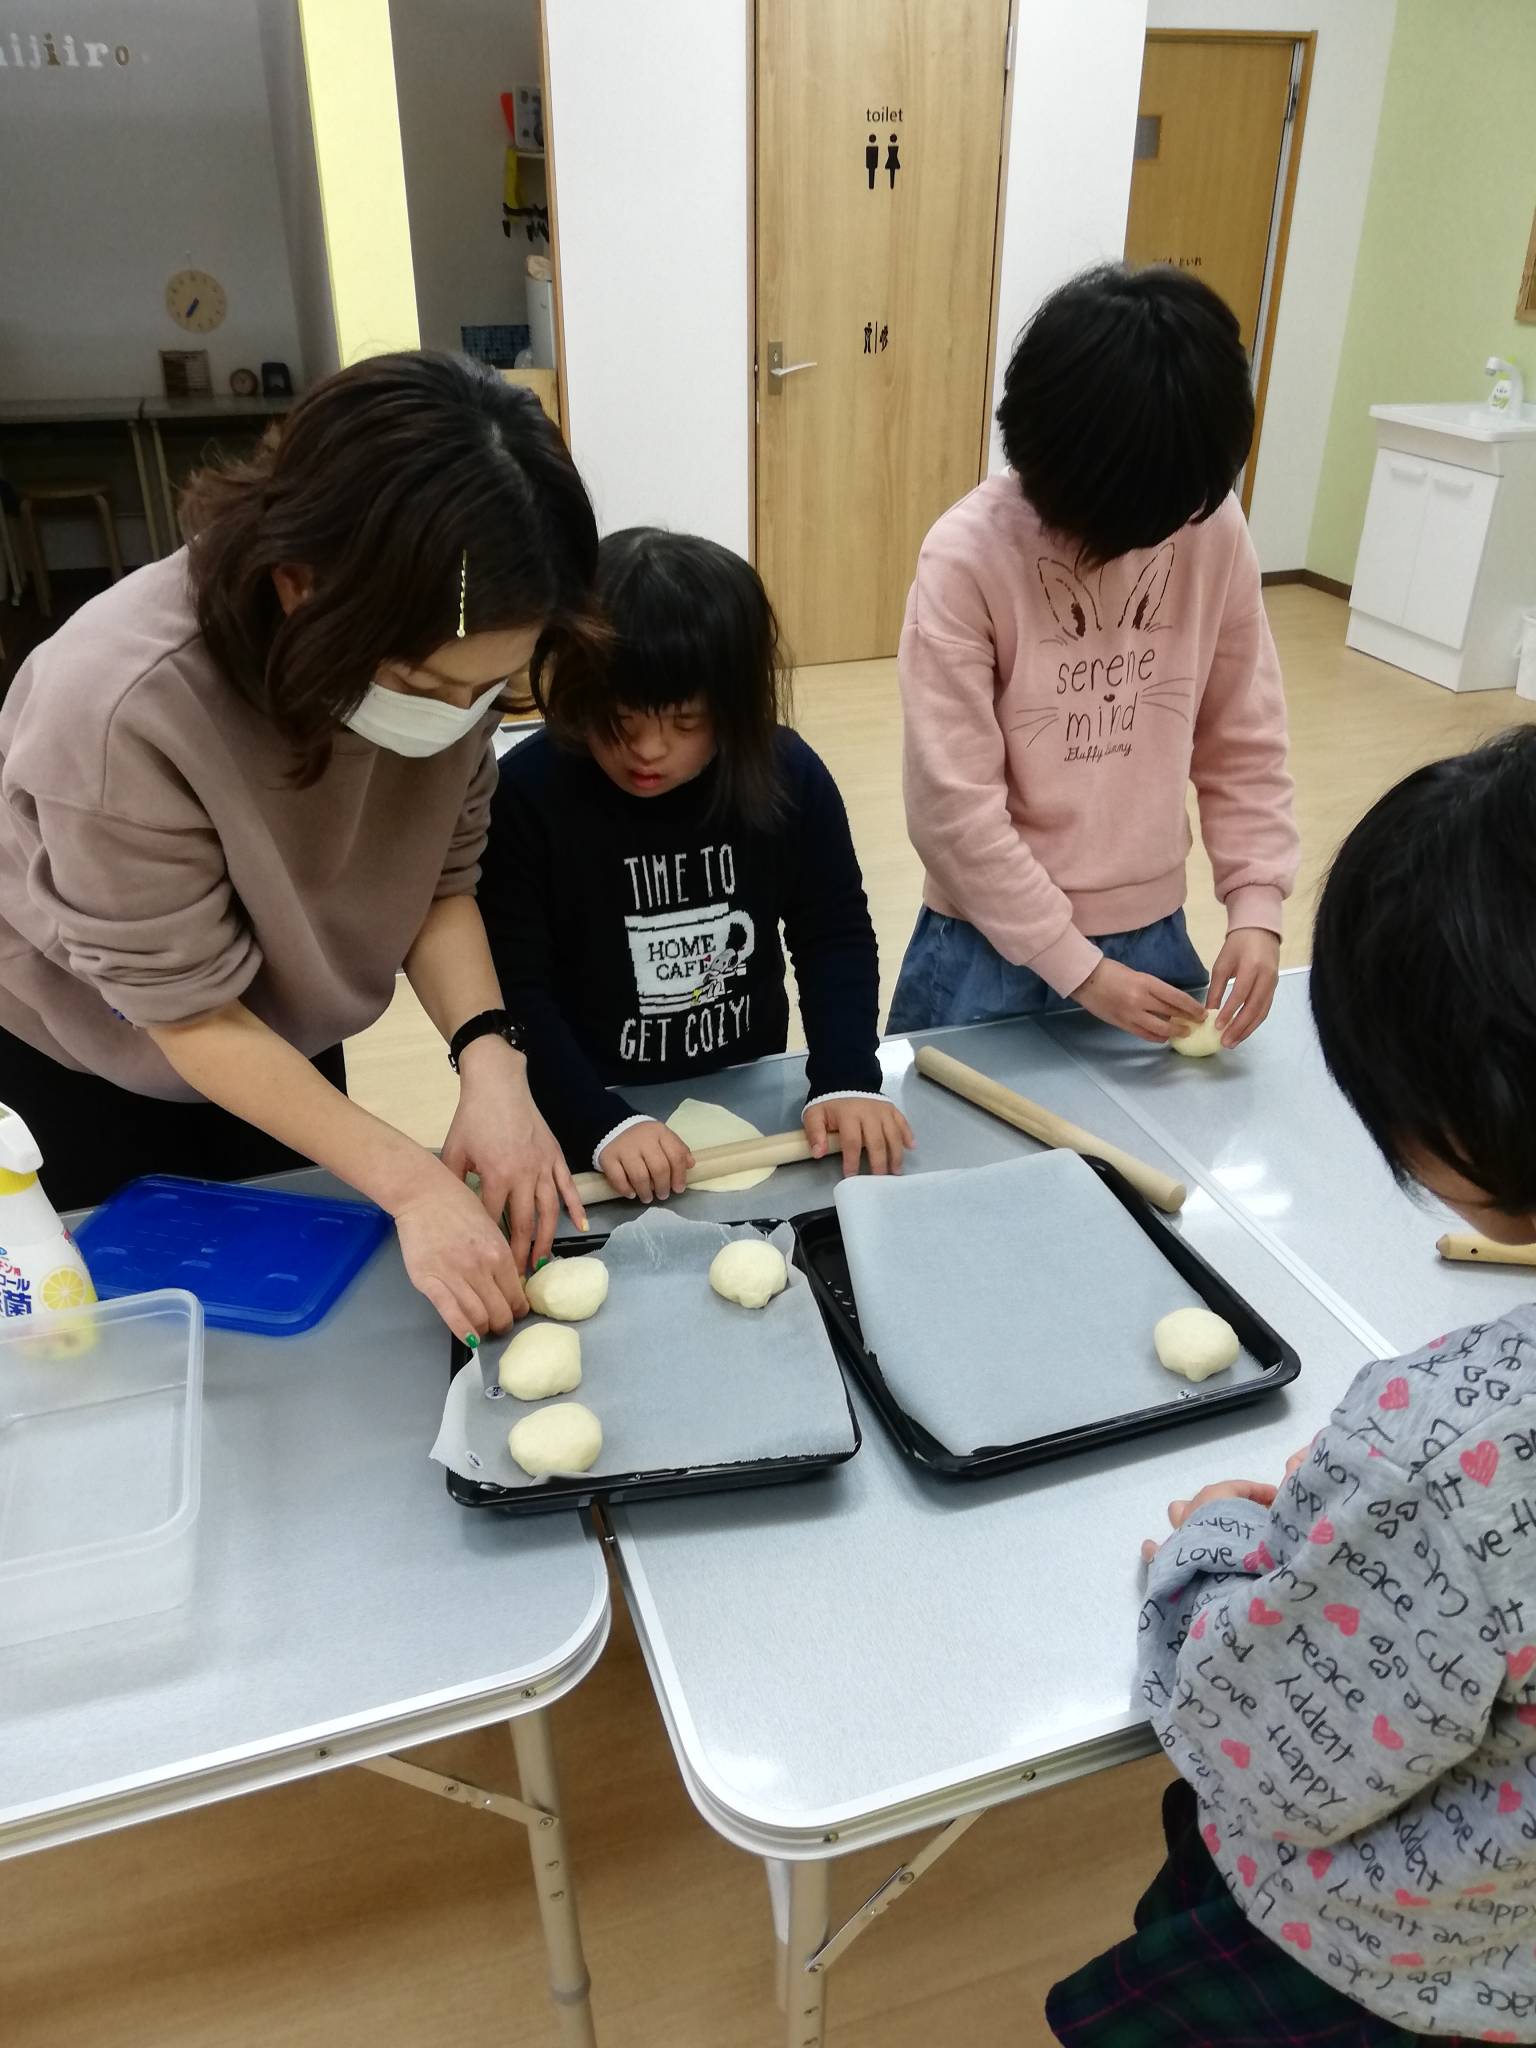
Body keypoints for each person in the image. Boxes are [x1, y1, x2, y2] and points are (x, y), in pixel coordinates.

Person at [1048, 727, 1536, 2044]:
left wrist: (1221, 1542)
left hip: (1401, 1967)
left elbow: (1254, 1740)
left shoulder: (1450, 1454)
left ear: (1461, 1111)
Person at [0, 352, 603, 1338]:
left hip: (278, 1025)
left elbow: (440, 876)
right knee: (136, 1336)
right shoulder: (119, 706)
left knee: (316, 1311)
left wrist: (492, 1061)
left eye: (486, 692)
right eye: (429, 687)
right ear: (300, 586)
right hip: (95, 1052)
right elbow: (190, 1016)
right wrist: (411, 1181)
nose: (459, 717)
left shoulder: (445, 652)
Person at [889, 263, 1299, 1048]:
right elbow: (953, 811)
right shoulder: (967, 557)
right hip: (987, 942)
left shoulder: (1209, 524)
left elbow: (1243, 737)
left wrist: (1257, 906)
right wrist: (1077, 968)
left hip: (1151, 933)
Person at [479, 527, 913, 1200]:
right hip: (584, 1102)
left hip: (743, 1089)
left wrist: (846, 1075)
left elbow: (833, 937)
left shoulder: (787, 776)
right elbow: (516, 990)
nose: (648, 750)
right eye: (620, 720)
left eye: (686, 723)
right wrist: (598, 1120)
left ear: (734, 707)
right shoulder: (529, 796)